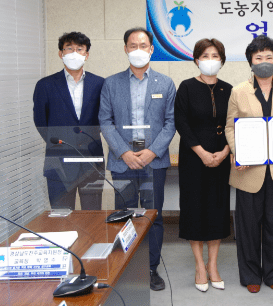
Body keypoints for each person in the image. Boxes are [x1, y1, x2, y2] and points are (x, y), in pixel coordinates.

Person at [99, 28, 176, 291]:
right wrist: (124, 152)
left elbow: (170, 123)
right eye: (133, 45)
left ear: (152, 49)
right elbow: (105, 121)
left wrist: (152, 151)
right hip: (123, 161)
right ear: (125, 49)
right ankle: (126, 268)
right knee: (124, 216)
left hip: (154, 161)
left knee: (153, 216)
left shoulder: (165, 83)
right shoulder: (111, 83)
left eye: (143, 45)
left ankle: (151, 268)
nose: (138, 50)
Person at [225, 35, 273, 294]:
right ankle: (250, 275)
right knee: (247, 226)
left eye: (269, 57)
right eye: (259, 58)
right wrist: (238, 152)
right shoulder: (238, 91)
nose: (264, 62)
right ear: (250, 62)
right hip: (249, 170)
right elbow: (230, 127)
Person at [175, 38, 232, 292]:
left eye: (215, 56)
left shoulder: (229, 89)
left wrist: (224, 152)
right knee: (194, 209)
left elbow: (234, 123)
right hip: (193, 158)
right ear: (196, 60)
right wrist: (202, 153)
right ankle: (199, 265)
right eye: (205, 56)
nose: (210, 60)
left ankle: (213, 265)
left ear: (222, 60)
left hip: (221, 157)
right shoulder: (186, 87)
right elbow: (181, 123)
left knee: (217, 209)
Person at [33, 31, 105, 210]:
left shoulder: (100, 84)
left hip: (91, 161)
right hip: (59, 162)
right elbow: (41, 122)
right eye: (69, 49)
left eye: (79, 49)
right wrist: (62, 142)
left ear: (86, 54)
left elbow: (105, 118)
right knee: (61, 218)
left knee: (91, 217)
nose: (74, 53)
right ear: (61, 53)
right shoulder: (45, 85)